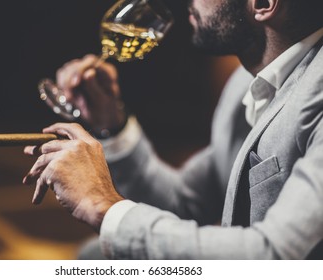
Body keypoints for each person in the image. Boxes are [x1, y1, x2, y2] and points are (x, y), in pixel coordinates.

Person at [23, 0, 323, 259]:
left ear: (263, 4)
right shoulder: (243, 86)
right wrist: (111, 125)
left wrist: (102, 207)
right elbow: (184, 203)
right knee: (94, 256)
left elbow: (275, 256)